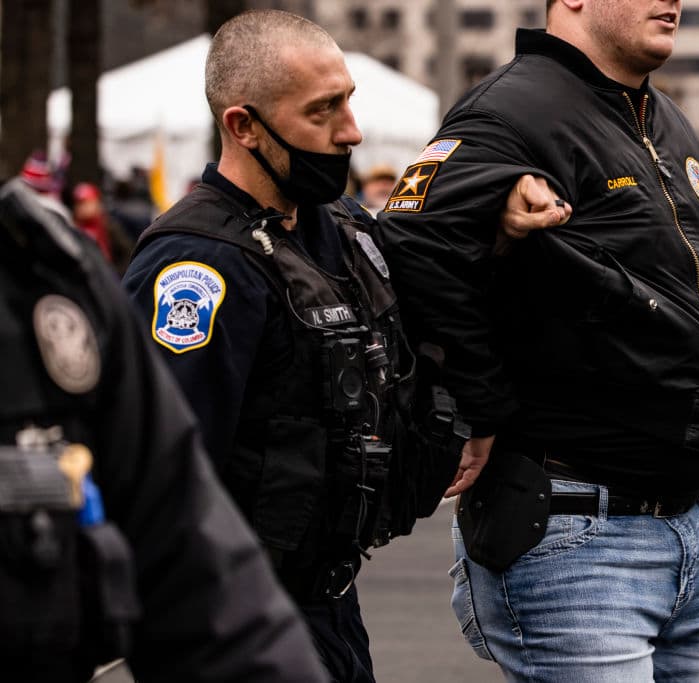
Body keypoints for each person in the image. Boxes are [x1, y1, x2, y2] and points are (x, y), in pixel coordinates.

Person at [121, 9, 565, 682]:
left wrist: (498, 208)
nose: (351, 131)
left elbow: (439, 288)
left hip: (330, 606)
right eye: (322, 111)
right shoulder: (199, 266)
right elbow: (158, 474)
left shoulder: (346, 233)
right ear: (243, 125)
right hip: (230, 621)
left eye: (348, 101)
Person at [377, 1, 699, 680]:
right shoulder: (513, 109)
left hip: (695, 527)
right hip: (579, 533)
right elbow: (412, 233)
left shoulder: (662, 118)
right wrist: (481, 401)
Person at [0, 177, 328, 682]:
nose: (350, 131)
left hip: (302, 580)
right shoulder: (196, 249)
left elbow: (191, 562)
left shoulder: (45, 284)